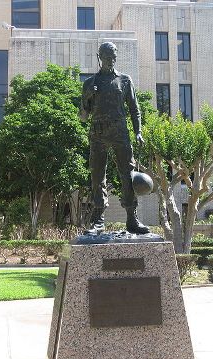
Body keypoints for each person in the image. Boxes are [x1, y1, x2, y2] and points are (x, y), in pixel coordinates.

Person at [80, 42, 150, 235]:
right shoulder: (89, 83)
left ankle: (131, 218)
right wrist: (87, 97)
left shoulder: (125, 80)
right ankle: (98, 220)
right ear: (99, 57)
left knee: (127, 174)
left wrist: (138, 132)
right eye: (107, 57)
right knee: (97, 175)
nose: (111, 61)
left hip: (120, 132)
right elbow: (83, 117)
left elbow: (135, 110)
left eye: (113, 57)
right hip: (98, 133)